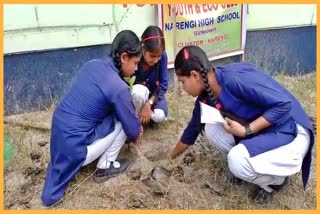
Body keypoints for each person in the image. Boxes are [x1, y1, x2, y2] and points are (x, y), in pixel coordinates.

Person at [170, 45, 314, 204]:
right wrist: (169, 157)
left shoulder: (234, 79)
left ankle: (276, 181)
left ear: (195, 75)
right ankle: (250, 166)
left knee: (237, 160)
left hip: (291, 131)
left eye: (182, 82)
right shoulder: (207, 94)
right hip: (267, 131)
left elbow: (283, 106)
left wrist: (247, 130)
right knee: (210, 128)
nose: (183, 89)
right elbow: (190, 133)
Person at [41, 30, 143, 206]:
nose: (136, 69)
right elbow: (133, 131)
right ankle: (105, 166)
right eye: (135, 63)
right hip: (75, 149)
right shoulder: (118, 87)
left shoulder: (93, 64)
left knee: (114, 112)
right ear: (124, 57)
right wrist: (136, 129)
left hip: (59, 139)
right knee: (123, 120)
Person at [131, 26, 168, 125]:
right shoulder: (134, 56)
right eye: (152, 56)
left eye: (158, 56)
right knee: (138, 92)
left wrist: (149, 103)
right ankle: (135, 122)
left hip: (154, 97)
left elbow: (163, 85)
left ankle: (143, 117)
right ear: (143, 48)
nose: (156, 60)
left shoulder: (163, 56)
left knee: (160, 115)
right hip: (135, 98)